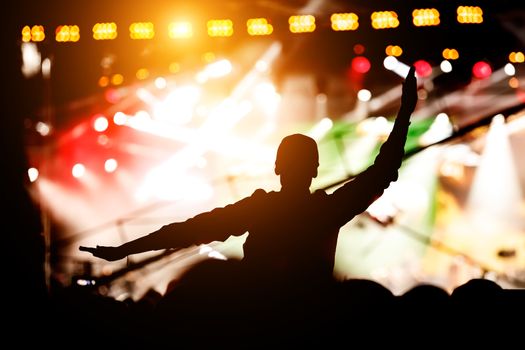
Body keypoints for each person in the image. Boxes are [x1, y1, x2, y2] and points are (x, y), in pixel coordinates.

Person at [80, 66, 418, 294]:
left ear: (277, 167)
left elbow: (187, 230)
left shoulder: (259, 209)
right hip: (309, 319)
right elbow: (383, 171)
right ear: (314, 169)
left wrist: (125, 249)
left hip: (256, 319)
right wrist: (403, 113)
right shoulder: (327, 210)